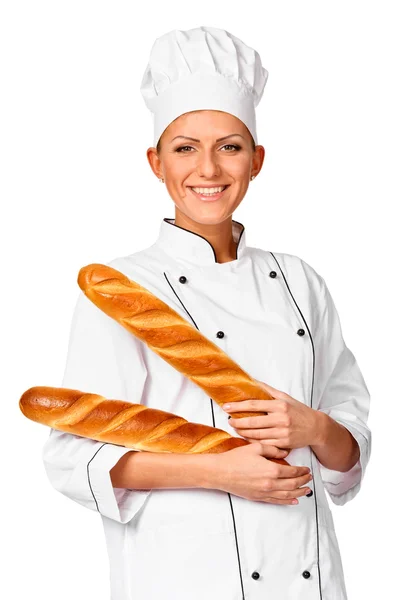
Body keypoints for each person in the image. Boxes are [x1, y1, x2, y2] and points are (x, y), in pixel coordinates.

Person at [42, 26, 372, 600]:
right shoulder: (122, 288)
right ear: (155, 162)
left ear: (257, 159)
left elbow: (350, 450)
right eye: (185, 147)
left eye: (230, 146)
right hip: (184, 576)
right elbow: (75, 457)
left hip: (309, 577)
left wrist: (315, 427)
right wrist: (220, 471)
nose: (209, 170)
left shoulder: (301, 281)